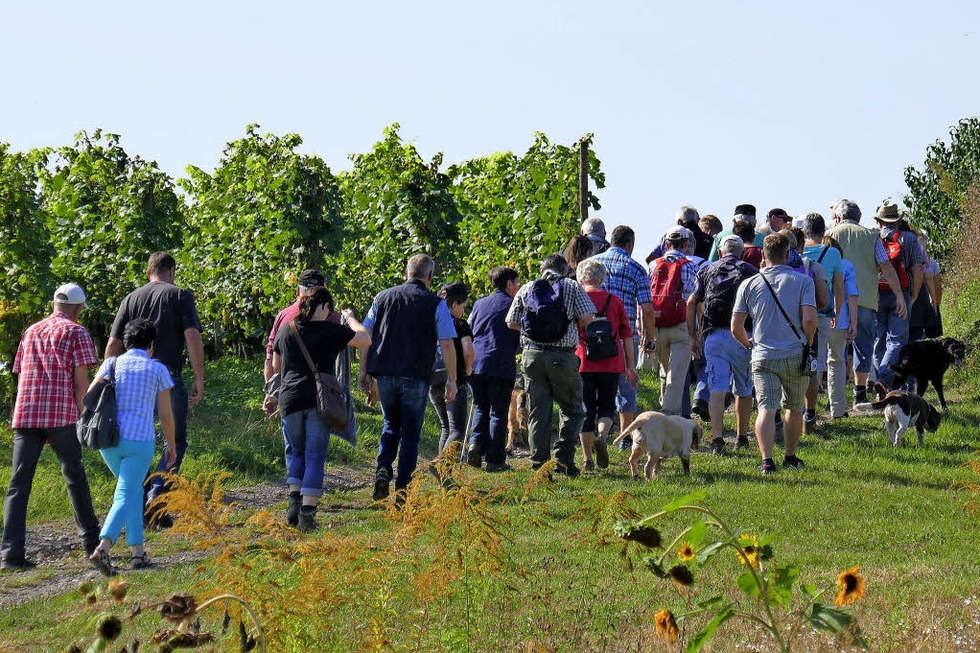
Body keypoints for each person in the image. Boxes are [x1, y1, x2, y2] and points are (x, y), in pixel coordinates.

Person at [2, 284, 101, 571]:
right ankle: (90, 542)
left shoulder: (31, 330)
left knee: (18, 485)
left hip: (27, 413)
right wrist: (85, 415)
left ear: (54, 304)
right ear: (78, 308)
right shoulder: (77, 332)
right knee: (74, 475)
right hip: (60, 415)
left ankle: (11, 555)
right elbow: (81, 382)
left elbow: (20, 373)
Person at [106, 252, 204, 507]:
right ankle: (158, 492)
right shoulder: (180, 295)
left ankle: (138, 488)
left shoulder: (131, 298)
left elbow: (114, 343)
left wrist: (110, 378)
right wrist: (198, 376)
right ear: (170, 271)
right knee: (175, 439)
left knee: (134, 435)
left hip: (133, 379)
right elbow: (192, 335)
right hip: (167, 376)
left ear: (149, 271)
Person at [360, 254, 457, 501]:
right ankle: (404, 488)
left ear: (406, 272)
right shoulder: (436, 303)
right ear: (430, 277)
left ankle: (383, 471)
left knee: (390, 425)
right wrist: (452, 379)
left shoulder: (382, 297)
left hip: (386, 373)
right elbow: (446, 343)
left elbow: (365, 334)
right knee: (411, 433)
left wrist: (365, 371)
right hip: (415, 375)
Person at [273, 288, 370, 530]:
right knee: (315, 455)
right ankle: (307, 514)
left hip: (290, 397)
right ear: (325, 307)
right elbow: (364, 338)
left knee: (295, 452)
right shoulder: (331, 330)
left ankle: (293, 503)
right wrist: (350, 319)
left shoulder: (287, 329)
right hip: (318, 399)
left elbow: (276, 366)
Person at [87, 318, 176, 576]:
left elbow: (90, 397)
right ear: (151, 345)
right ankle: (103, 547)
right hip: (139, 442)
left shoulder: (111, 363)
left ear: (126, 342)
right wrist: (170, 445)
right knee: (125, 494)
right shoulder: (157, 369)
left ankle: (137, 552)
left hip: (109, 441)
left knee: (134, 491)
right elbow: (166, 415)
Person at [732, 233, 817, 475]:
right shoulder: (802, 281)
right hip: (794, 352)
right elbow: (810, 318)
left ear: (763, 255)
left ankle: (767, 461)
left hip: (763, 355)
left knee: (767, 408)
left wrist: (748, 344)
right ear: (788, 254)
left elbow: (736, 326)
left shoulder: (749, 284)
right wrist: (807, 342)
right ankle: (790, 456)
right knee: (794, 407)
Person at [505, 254, 594, 476]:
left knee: (538, 412)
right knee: (573, 410)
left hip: (532, 357)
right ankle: (563, 459)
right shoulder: (571, 286)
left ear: (543, 269)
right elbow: (587, 318)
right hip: (562, 357)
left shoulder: (526, 288)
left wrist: (532, 332)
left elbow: (511, 322)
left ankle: (539, 465)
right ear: (564, 270)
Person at [826, 199, 906, 406]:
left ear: (840, 217)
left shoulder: (830, 235)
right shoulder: (871, 236)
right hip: (865, 298)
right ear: (858, 217)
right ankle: (859, 391)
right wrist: (899, 295)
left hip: (835, 299)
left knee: (836, 350)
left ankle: (835, 397)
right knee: (864, 346)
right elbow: (886, 266)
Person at [687, 235, 758, 455]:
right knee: (744, 389)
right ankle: (742, 436)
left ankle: (717, 439)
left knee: (717, 388)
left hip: (713, 336)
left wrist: (692, 335)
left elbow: (691, 301)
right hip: (741, 335)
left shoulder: (707, 270)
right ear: (742, 252)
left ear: (720, 252)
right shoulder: (750, 271)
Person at [591, 226, 655, 439]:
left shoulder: (591, 265)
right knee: (626, 387)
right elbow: (647, 309)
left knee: (594, 385)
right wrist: (649, 337)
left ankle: (595, 432)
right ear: (630, 244)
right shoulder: (636, 268)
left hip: (593, 335)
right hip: (624, 336)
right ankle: (625, 437)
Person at [574, 259, 636, 471]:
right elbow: (627, 335)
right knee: (608, 406)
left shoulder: (577, 300)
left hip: (583, 361)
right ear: (601, 279)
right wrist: (630, 366)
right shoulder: (615, 301)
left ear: (581, 277)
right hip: (612, 362)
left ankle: (587, 460)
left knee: (586, 410)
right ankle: (601, 436)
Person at [467, 267, 521, 472]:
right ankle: (495, 459)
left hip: (477, 363)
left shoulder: (479, 304)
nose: (518, 287)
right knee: (498, 412)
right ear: (508, 284)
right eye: (517, 283)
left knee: (481, 407)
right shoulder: (515, 304)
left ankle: (475, 445)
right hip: (501, 363)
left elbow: (470, 329)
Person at [873, 203, 924, 389]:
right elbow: (919, 269)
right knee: (897, 340)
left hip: (876, 293)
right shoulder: (909, 238)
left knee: (879, 341)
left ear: (879, 221)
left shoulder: (874, 238)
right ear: (899, 220)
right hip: (900, 293)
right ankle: (884, 380)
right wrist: (914, 295)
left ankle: (884, 385)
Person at [802, 214, 846, 425]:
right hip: (822, 311)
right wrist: (836, 311)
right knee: (818, 359)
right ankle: (811, 408)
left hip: (798, 312)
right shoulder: (833, 253)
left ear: (805, 232)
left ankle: (798, 404)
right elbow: (838, 286)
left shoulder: (798, 251)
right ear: (823, 232)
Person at [649, 227, 697, 415]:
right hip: (680, 324)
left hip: (657, 323)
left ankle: (664, 406)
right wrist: (696, 332)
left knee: (665, 369)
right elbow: (693, 300)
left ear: (667, 244)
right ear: (686, 245)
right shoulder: (690, 265)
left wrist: (645, 329)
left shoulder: (654, 264)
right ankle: (669, 413)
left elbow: (645, 298)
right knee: (676, 374)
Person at [429, 282, 474, 457]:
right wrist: (468, 369)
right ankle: (440, 465)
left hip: (434, 382)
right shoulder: (460, 324)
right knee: (457, 431)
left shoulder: (431, 323)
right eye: (463, 306)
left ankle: (444, 476)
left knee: (445, 428)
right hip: (454, 381)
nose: (463, 310)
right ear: (454, 305)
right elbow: (468, 351)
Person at [823, 236, 859, 414]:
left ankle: (808, 407)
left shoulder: (811, 261)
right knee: (836, 362)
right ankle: (837, 407)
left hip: (816, 318)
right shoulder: (847, 266)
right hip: (840, 319)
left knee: (815, 361)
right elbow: (851, 296)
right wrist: (854, 322)